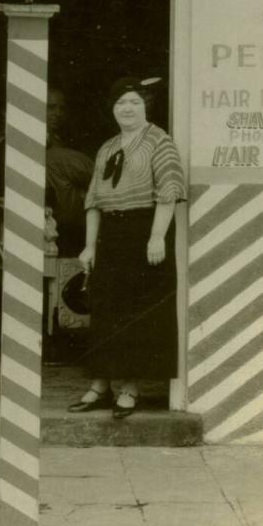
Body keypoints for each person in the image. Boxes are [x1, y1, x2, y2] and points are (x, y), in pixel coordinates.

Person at [68, 74, 185, 419]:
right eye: (121, 103)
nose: (128, 108)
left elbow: (169, 190)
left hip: (143, 232)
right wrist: (89, 247)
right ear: (112, 109)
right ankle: (99, 386)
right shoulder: (107, 147)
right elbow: (93, 200)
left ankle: (130, 388)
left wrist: (156, 236)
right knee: (105, 308)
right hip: (111, 236)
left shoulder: (160, 141)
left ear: (146, 105)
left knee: (137, 312)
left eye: (134, 102)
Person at [44, 86, 93, 257]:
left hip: (66, 226)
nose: (58, 113)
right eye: (51, 107)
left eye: (61, 108)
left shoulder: (59, 141)